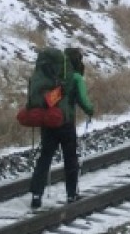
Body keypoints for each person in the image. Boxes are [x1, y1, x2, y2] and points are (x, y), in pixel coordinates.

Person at [30, 47, 95, 208]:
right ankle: (72, 195)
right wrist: (90, 110)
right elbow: (83, 101)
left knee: (44, 158)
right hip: (65, 124)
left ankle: (36, 196)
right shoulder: (75, 77)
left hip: (48, 123)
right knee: (70, 158)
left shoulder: (49, 76)